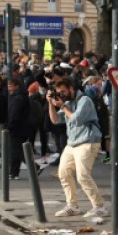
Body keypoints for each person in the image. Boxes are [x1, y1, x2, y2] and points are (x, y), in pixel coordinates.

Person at [48, 76, 106, 218]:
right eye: (59, 92)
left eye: (63, 91)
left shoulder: (84, 101)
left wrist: (62, 105)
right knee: (63, 173)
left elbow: (76, 119)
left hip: (87, 141)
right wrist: (50, 103)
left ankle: (99, 207)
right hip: (72, 143)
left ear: (71, 88)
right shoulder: (68, 103)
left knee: (83, 176)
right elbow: (55, 120)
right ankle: (72, 206)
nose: (62, 94)